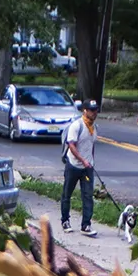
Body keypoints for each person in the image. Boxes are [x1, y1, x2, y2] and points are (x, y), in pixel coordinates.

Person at [59, 99, 100, 235]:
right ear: (85, 111)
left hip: (87, 168)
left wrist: (91, 161)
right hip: (74, 165)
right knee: (67, 194)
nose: (94, 113)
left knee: (88, 196)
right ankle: (65, 221)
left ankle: (86, 225)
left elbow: (91, 145)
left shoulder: (95, 128)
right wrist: (82, 160)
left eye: (96, 110)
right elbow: (72, 145)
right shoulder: (77, 126)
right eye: (91, 110)